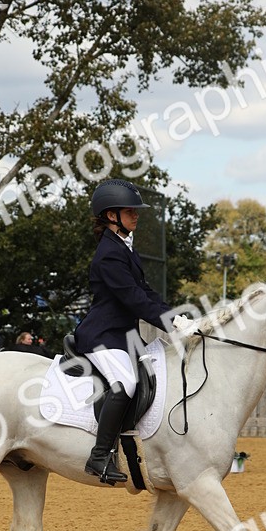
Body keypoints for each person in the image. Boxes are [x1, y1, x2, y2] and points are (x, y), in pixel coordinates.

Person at [74, 178, 184, 484]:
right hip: (103, 335)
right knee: (126, 383)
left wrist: (176, 318)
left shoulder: (125, 248)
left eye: (136, 210)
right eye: (130, 211)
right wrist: (170, 324)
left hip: (124, 336)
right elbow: (133, 300)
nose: (136, 215)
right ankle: (99, 456)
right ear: (112, 216)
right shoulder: (109, 254)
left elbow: (146, 292)